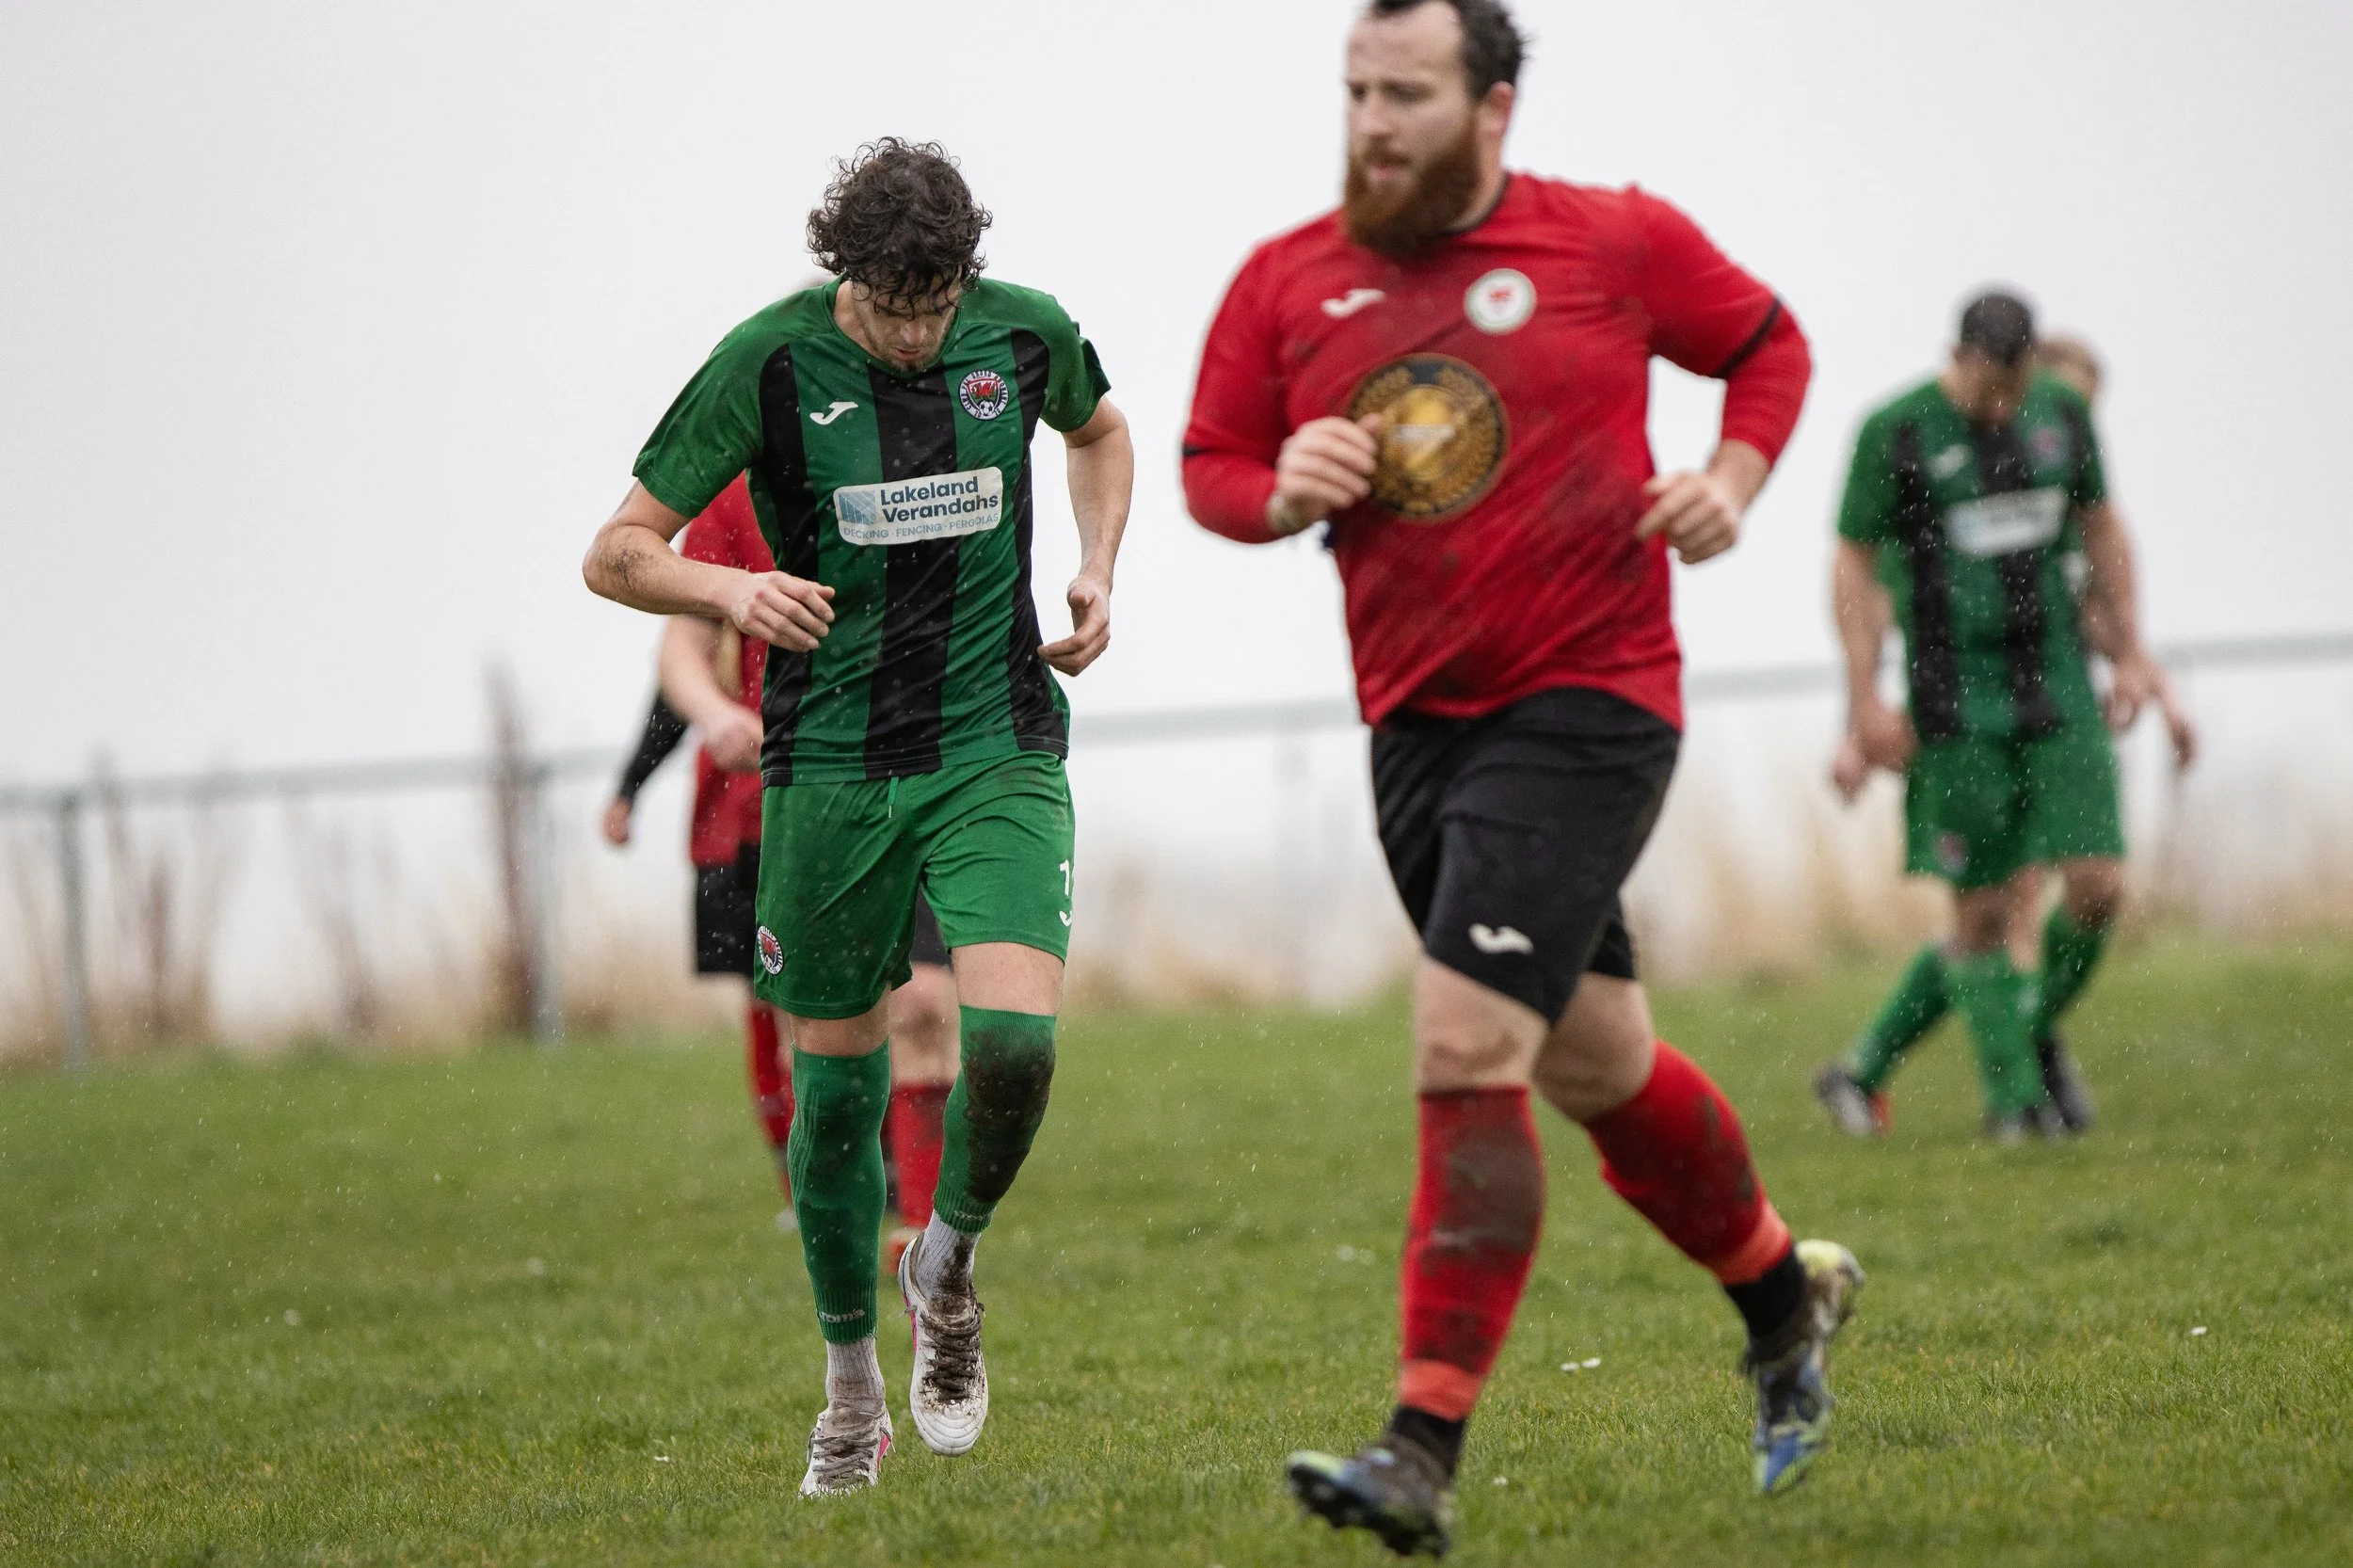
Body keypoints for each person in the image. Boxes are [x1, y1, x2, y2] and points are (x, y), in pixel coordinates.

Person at [1183, 1, 1859, 1551]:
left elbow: (1765, 344)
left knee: (1466, 1039)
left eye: (1406, 94)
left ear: (1492, 107)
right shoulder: (1287, 280)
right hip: (1417, 730)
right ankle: (1782, 1300)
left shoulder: (1613, 242)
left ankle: (1419, 1446)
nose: (1371, 120)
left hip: (1591, 703)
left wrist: (1730, 483)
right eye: (1356, 91)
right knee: (1593, 1061)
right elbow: (1216, 464)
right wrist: (1277, 490)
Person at [584, 138, 1132, 1497]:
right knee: (833, 1096)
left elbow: (1103, 430)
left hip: (995, 743)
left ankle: (944, 1257)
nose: (920, 331)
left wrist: (1098, 571)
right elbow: (616, 551)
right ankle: (847, 1391)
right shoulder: (765, 363)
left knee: (1009, 1038)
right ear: (845, 281)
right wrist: (729, 596)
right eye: (895, 307)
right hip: (826, 769)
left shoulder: (1025, 331)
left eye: (940, 303)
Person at [1814, 295, 2174, 1145]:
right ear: (1957, 356)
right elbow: (1854, 567)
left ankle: (2011, 1034)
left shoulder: (2064, 418)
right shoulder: (1896, 434)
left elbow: (2103, 527)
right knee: (1985, 912)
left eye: (2017, 391)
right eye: (1989, 391)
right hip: (1953, 702)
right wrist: (1863, 703)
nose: (2003, 410)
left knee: (2096, 884)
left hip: (2057, 691)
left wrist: (2132, 652)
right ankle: (2017, 1106)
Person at [660, 475, 964, 1264]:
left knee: (926, 1005)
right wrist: (717, 710)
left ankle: (929, 1250)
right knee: (815, 1032)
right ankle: (844, 1231)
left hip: (920, 777)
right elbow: (684, 646)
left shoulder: (923, 447)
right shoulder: (735, 492)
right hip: (799, 794)